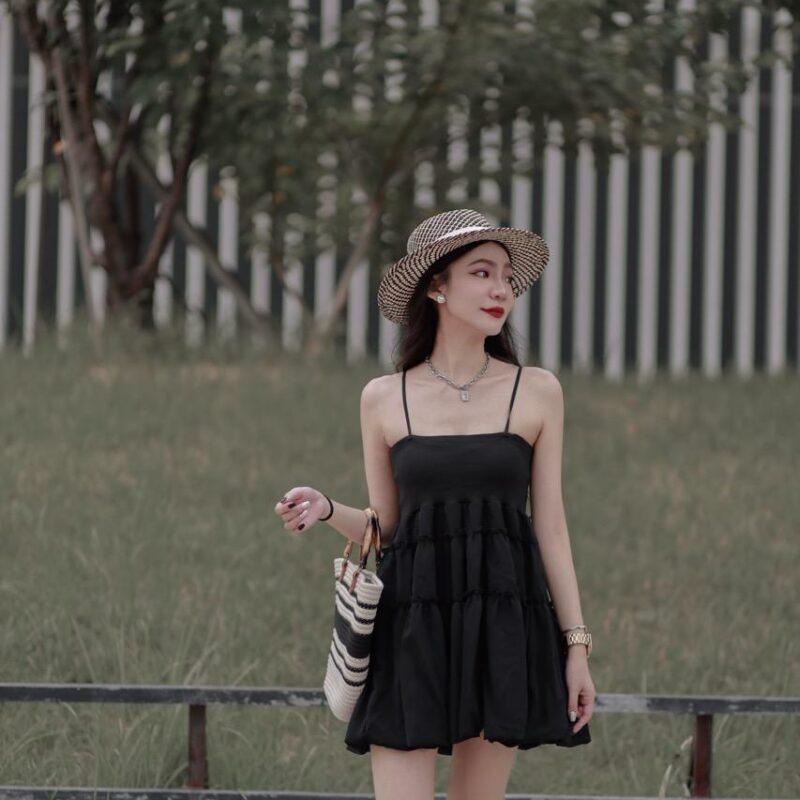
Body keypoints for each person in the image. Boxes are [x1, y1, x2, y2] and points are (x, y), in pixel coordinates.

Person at [274, 208, 595, 800]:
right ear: (436, 287)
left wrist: (575, 647)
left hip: (502, 621)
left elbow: (550, 527)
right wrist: (326, 509)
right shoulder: (383, 398)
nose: (501, 289)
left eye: (507, 277)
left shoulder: (537, 391)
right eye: (482, 272)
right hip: (411, 621)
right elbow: (388, 526)